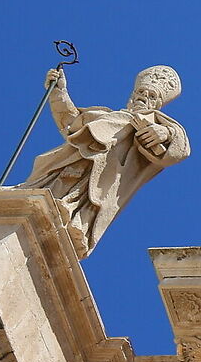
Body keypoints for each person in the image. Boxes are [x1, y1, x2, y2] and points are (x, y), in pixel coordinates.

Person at [20, 63, 189, 253]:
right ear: (132, 96)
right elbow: (70, 121)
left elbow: (179, 148)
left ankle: (73, 220)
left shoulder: (153, 124)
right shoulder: (103, 115)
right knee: (40, 195)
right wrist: (59, 91)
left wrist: (164, 132)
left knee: (77, 210)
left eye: (151, 96)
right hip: (68, 164)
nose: (143, 96)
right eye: (141, 91)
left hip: (103, 178)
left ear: (157, 105)